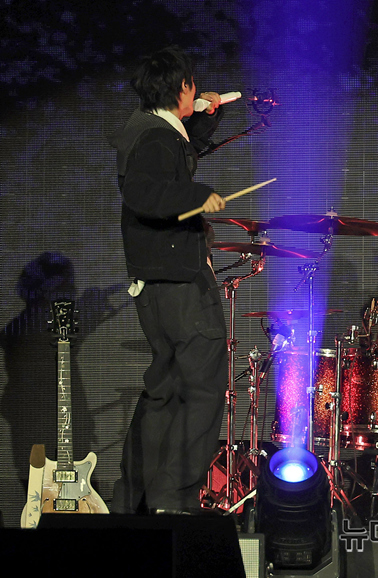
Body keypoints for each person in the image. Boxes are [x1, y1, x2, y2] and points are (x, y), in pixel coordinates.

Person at [108, 46, 229, 514]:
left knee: (165, 391)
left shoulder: (149, 130)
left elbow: (174, 157)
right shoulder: (157, 139)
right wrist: (198, 196)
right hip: (181, 285)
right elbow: (145, 192)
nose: (196, 91)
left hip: (156, 285)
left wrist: (205, 119)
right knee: (203, 390)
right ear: (183, 87)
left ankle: (136, 500)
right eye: (192, 85)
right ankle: (174, 498)